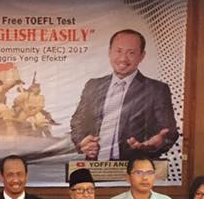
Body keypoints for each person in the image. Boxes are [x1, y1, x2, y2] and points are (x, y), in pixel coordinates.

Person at [70, 29, 179, 161]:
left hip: (136, 167)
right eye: (119, 51)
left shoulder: (156, 89)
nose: (123, 58)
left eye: (131, 53)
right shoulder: (93, 86)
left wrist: (158, 142)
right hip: (95, 166)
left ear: (142, 56)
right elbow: (78, 121)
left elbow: (169, 132)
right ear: (109, 52)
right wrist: (82, 141)